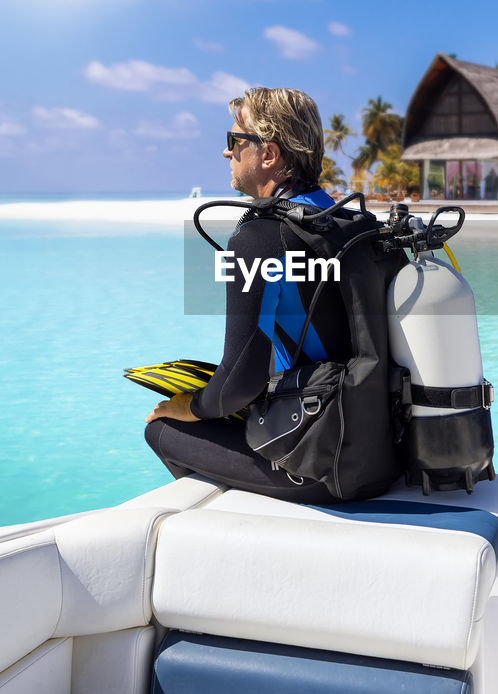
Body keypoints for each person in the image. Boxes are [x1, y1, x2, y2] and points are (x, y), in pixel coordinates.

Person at [143, 87, 349, 503]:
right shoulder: (347, 221)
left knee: (163, 429)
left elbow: (237, 384)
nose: (226, 153)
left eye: (235, 141)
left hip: (320, 464)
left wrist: (189, 405)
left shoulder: (261, 237)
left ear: (268, 154)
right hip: (377, 449)